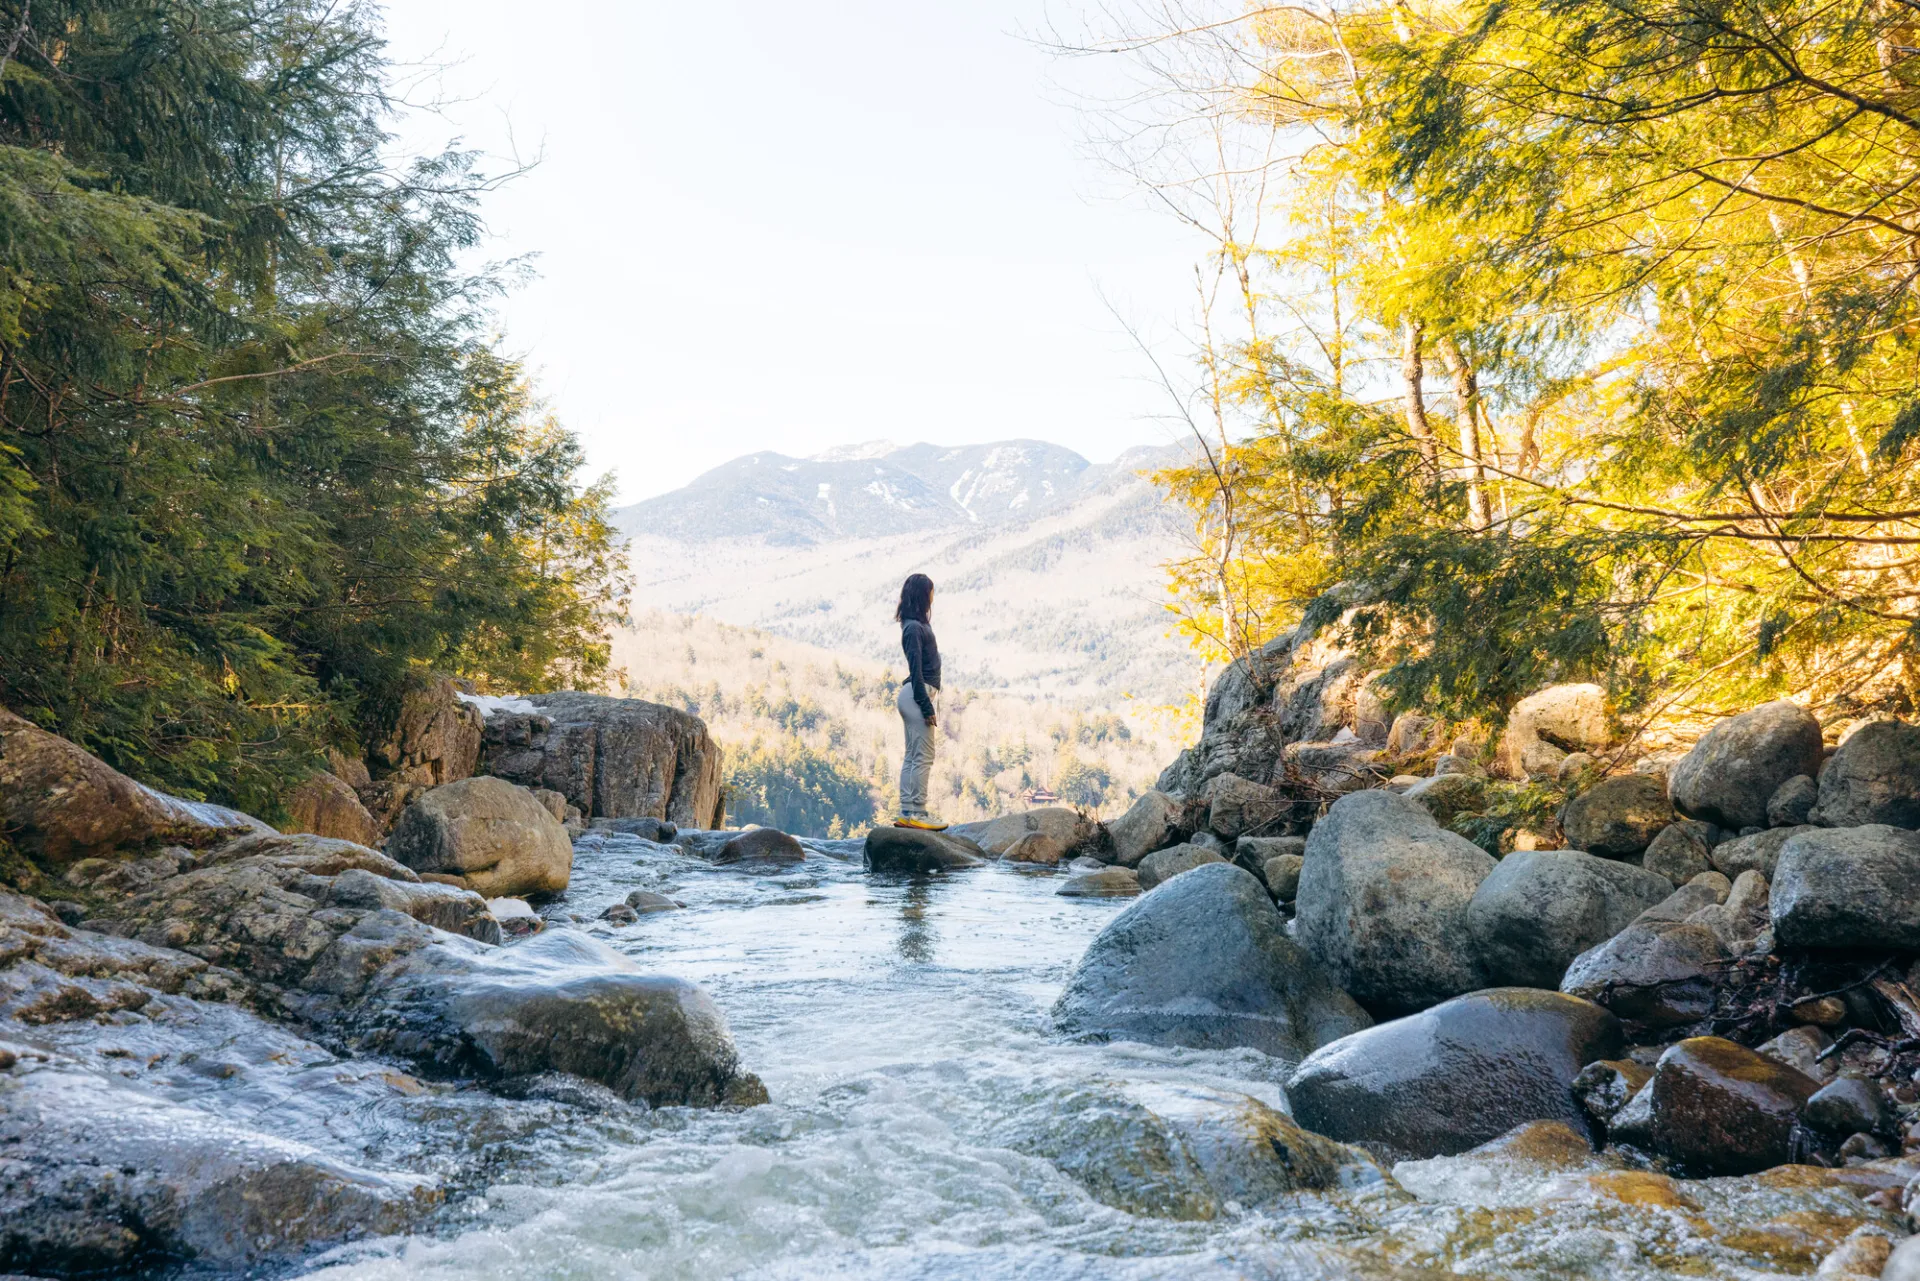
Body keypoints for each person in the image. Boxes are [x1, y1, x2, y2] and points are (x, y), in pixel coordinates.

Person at [893, 572, 947, 830]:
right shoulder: (914, 628)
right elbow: (915, 670)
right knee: (924, 756)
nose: (933, 597)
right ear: (922, 595)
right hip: (917, 695)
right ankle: (917, 814)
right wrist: (927, 706)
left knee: (913, 756)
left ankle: (908, 812)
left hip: (915, 694)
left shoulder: (913, 624)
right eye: (931, 592)